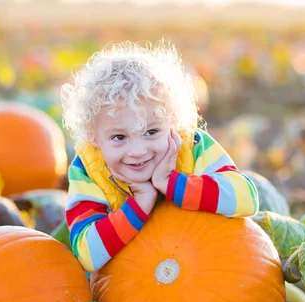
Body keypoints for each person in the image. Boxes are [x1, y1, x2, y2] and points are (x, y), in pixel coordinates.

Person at [61, 40, 259, 272]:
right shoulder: (87, 169)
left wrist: (171, 183)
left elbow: (247, 199)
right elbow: (87, 255)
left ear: (172, 124)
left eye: (151, 132)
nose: (137, 151)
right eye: (119, 137)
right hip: (128, 285)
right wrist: (141, 202)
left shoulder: (192, 147)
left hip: (203, 269)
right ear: (94, 137)